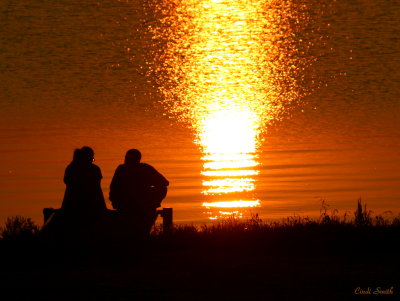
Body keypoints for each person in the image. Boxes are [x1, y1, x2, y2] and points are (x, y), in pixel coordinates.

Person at [109, 149, 169, 235]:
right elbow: (164, 183)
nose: (125, 159)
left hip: (127, 204)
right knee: (162, 188)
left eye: (127, 157)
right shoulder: (144, 168)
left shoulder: (122, 169)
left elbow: (113, 187)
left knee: (162, 188)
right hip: (133, 204)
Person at [61, 146, 107, 215]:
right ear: (88, 158)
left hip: (70, 204)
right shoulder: (95, 169)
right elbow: (98, 190)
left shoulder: (71, 168)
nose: (92, 160)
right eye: (92, 158)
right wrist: (103, 208)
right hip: (92, 205)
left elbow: (67, 184)